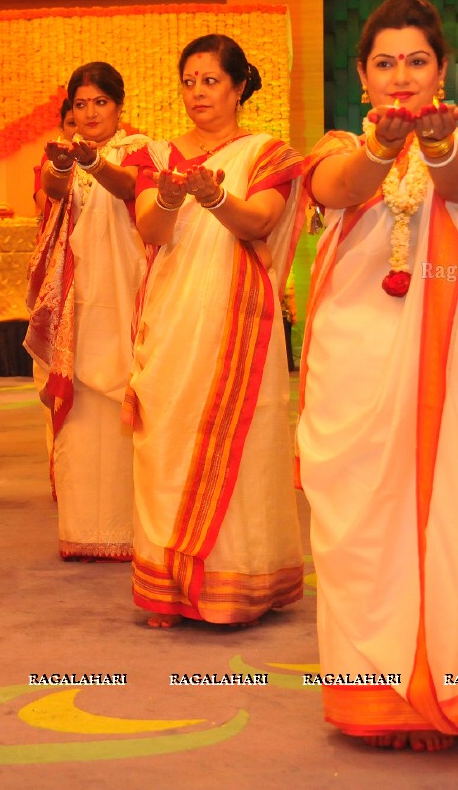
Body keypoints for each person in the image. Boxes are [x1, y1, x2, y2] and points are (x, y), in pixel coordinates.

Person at [297, 0, 458, 752]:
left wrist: (433, 149)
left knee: (447, 514)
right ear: (361, 76)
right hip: (353, 357)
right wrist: (381, 148)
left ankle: (444, 686)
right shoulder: (338, 144)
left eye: (417, 61)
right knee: (359, 526)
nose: (400, 76)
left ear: (441, 70)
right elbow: (337, 189)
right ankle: (378, 692)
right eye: (385, 63)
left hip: (442, 359)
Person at [123, 35, 305, 627]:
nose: (197, 92)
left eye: (210, 81)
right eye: (189, 80)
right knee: (165, 440)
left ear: (238, 86)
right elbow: (151, 230)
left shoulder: (266, 154)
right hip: (173, 316)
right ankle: (169, 587)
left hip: (237, 317)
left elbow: (259, 221)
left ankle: (242, 581)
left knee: (243, 445)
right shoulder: (156, 154)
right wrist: (174, 196)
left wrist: (215, 196)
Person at [25, 62, 150, 561]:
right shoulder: (59, 154)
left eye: (100, 102)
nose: (90, 112)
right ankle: (84, 529)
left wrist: (94, 163)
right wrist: (62, 166)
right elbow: (48, 199)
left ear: (120, 107)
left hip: (126, 286)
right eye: (80, 104)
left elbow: (130, 190)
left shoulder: (142, 150)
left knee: (127, 391)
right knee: (79, 400)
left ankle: (134, 528)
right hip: (76, 293)